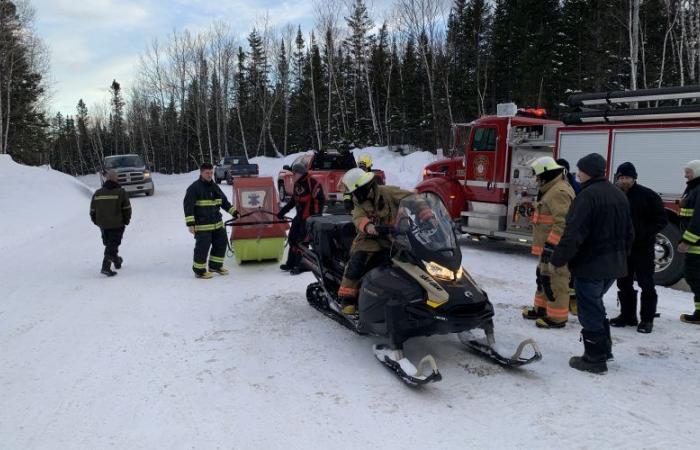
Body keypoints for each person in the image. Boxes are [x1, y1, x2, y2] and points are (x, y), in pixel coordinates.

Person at [550, 153, 634, 374]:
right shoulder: (618, 194)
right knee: (596, 304)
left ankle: (594, 358)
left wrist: (558, 259)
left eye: (580, 170)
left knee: (589, 309)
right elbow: (629, 232)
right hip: (614, 264)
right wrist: (622, 256)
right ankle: (604, 350)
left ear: (589, 172)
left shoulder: (587, 197)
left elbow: (573, 233)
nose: (577, 174)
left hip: (592, 264)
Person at [338, 168, 430, 315]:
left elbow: (412, 198)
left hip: (395, 237)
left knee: (414, 261)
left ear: (365, 186)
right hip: (368, 239)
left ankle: (426, 293)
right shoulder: (358, 202)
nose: (355, 195)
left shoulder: (388, 192)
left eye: (356, 192)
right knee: (357, 261)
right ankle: (347, 298)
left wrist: (426, 214)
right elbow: (358, 218)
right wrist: (370, 227)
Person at [612, 162, 668, 333]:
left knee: (646, 283)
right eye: (621, 178)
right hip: (623, 248)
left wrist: (643, 234)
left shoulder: (647, 195)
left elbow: (661, 220)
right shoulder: (615, 195)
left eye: (627, 178)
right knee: (623, 282)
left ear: (634, 178)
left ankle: (647, 320)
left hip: (643, 248)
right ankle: (627, 316)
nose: (624, 181)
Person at [521, 157, 575, 328]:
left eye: (538, 176)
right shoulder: (551, 189)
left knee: (556, 281)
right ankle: (541, 309)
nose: (537, 180)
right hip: (547, 247)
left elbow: (563, 223)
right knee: (543, 278)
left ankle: (557, 318)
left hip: (555, 248)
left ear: (547, 174)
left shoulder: (558, 192)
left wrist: (552, 246)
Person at [183, 163, 239, 279]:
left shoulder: (214, 187)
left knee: (221, 243)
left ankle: (215, 266)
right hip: (202, 226)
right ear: (201, 173)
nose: (209, 175)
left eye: (211, 173)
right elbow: (188, 207)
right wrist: (190, 224)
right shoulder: (194, 188)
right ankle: (199, 270)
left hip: (217, 224)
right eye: (207, 173)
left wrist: (234, 212)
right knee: (202, 248)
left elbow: (224, 202)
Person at [277, 162, 325, 274]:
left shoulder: (313, 183)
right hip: (299, 217)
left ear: (300, 173)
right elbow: (294, 200)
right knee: (292, 239)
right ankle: (290, 263)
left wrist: (315, 219)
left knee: (302, 242)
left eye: (294, 173)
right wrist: (282, 211)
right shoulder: (297, 183)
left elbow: (320, 202)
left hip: (310, 219)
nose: (293, 175)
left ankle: (300, 265)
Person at [90, 170, 132, 277]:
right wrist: (126, 221)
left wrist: (97, 222)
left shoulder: (98, 193)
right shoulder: (121, 192)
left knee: (110, 244)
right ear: (116, 179)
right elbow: (127, 208)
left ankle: (117, 261)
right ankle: (105, 267)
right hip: (117, 224)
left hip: (103, 225)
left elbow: (92, 210)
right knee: (112, 244)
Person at [679, 160, 700, 325]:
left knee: (694, 276)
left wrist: (687, 241)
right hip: (695, 244)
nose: (685, 174)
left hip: (697, 245)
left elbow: (698, 220)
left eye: (689, 172)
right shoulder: (693, 187)